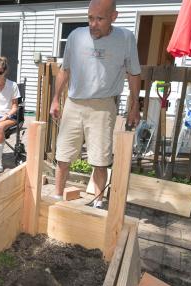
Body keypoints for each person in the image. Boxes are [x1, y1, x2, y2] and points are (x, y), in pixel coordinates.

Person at [49, 0, 141, 208]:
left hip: (103, 106)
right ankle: (56, 198)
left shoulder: (125, 38)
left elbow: (134, 73)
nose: (93, 24)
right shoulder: (75, 37)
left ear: (113, 17)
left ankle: (98, 203)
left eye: (100, 19)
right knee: (63, 156)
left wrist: (135, 105)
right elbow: (65, 69)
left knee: (100, 159)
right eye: (90, 17)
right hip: (73, 103)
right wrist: (56, 98)